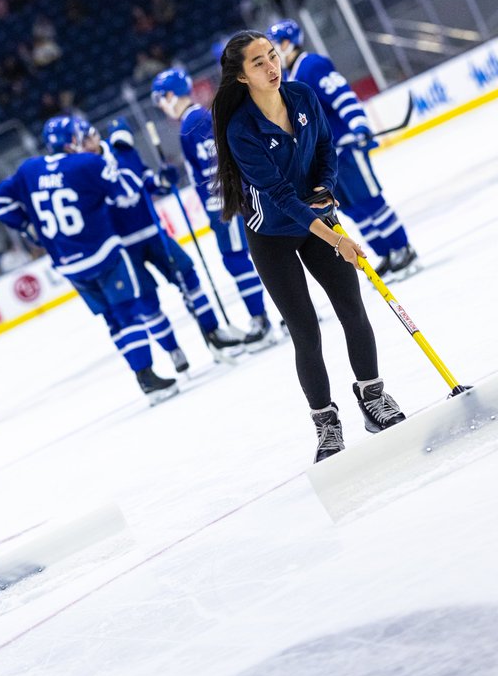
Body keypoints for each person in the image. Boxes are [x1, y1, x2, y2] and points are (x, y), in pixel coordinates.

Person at [210, 30, 406, 462]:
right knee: (306, 332)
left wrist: (327, 188)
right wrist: (336, 237)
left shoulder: (302, 95)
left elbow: (325, 147)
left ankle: (373, 399)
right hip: (273, 235)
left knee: (353, 311)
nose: (271, 66)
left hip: (318, 217)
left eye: (273, 56)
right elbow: (280, 196)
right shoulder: (242, 128)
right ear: (241, 77)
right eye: (258, 63)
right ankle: (326, 424)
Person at [0, 116, 178, 403]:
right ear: (72, 141)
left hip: (68, 264)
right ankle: (148, 376)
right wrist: (117, 155)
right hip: (102, 253)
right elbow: (128, 191)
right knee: (127, 313)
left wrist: (27, 226)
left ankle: (142, 376)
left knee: (112, 320)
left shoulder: (29, 169)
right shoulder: (88, 164)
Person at [267, 19, 419, 279]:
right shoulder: (290, 79)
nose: (274, 55)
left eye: (276, 46)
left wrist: (358, 126)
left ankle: (402, 247)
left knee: (369, 200)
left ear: (290, 42)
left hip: (346, 151)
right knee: (350, 207)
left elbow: (342, 95)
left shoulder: (312, 65)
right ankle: (384, 252)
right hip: (326, 160)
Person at [92, 117, 244, 369]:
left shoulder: (125, 151)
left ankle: (213, 331)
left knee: (188, 277)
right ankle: (173, 350)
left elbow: (148, 180)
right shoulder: (87, 168)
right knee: (147, 301)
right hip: (124, 247)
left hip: (154, 233)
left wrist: (164, 180)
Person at [151, 67, 281, 348]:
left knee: (237, 259)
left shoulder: (192, 122)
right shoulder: (196, 119)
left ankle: (262, 321)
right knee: (252, 256)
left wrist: (222, 206)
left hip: (228, 203)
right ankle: (283, 313)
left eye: (161, 99)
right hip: (231, 201)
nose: (161, 106)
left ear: (171, 95)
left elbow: (215, 167)